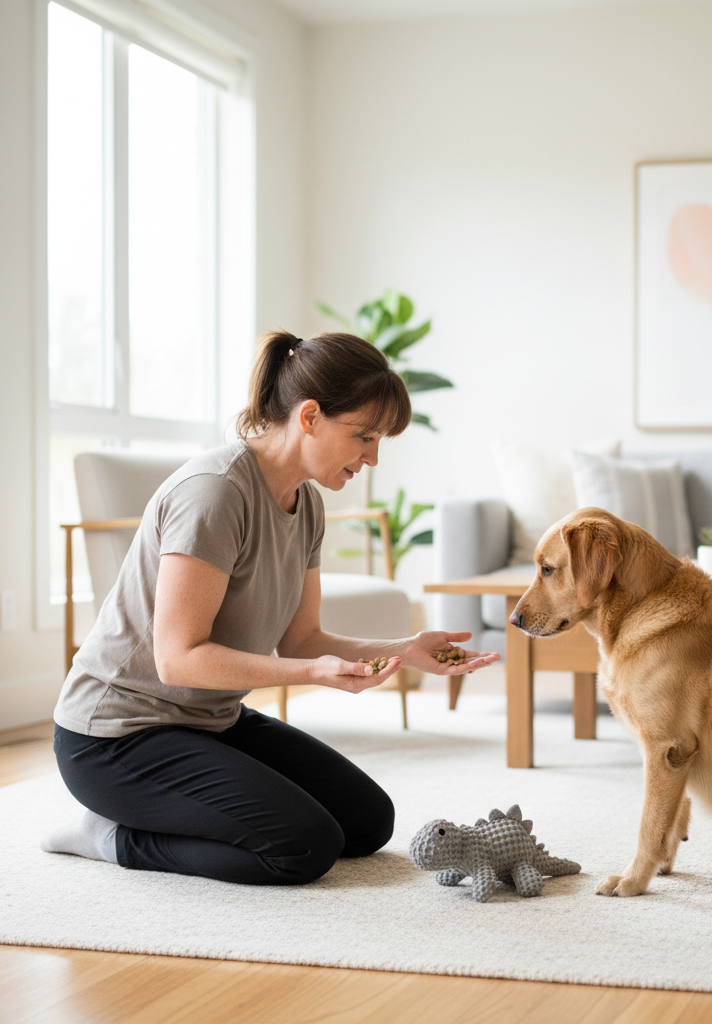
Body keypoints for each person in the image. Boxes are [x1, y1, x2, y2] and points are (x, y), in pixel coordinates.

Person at [42, 330, 500, 886]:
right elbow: (177, 660)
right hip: (117, 736)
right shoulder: (214, 493)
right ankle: (112, 836)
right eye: (364, 436)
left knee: (367, 823)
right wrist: (312, 675)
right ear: (310, 417)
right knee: (302, 848)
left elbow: (302, 640)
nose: (373, 458)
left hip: (206, 720)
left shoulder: (306, 504)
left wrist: (403, 650)